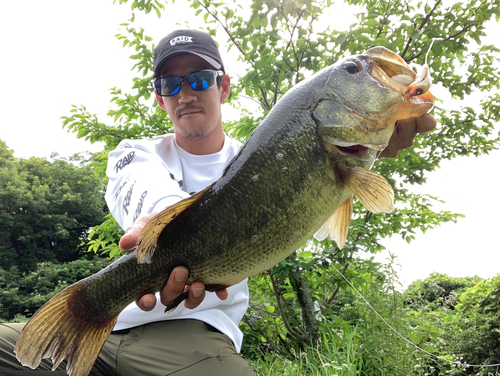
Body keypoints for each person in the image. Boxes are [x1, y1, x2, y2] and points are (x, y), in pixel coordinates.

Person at [0, 29, 436, 375]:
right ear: (159, 96)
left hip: (194, 335)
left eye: (199, 79)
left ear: (223, 86)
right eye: (170, 84)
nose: (185, 93)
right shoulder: (136, 152)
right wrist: (166, 221)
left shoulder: (260, 159)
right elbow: (139, 186)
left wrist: (380, 133)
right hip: (114, 323)